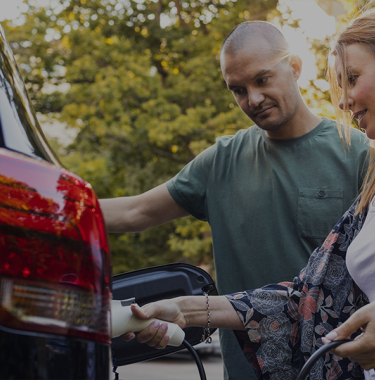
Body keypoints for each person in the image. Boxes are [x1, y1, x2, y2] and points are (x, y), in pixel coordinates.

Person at [100, 22, 369, 380]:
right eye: (238, 90)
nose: (252, 99)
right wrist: (42, 205)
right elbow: (135, 211)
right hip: (245, 370)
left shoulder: (360, 153)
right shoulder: (221, 161)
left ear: (295, 67)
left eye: (262, 80)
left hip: (334, 368)